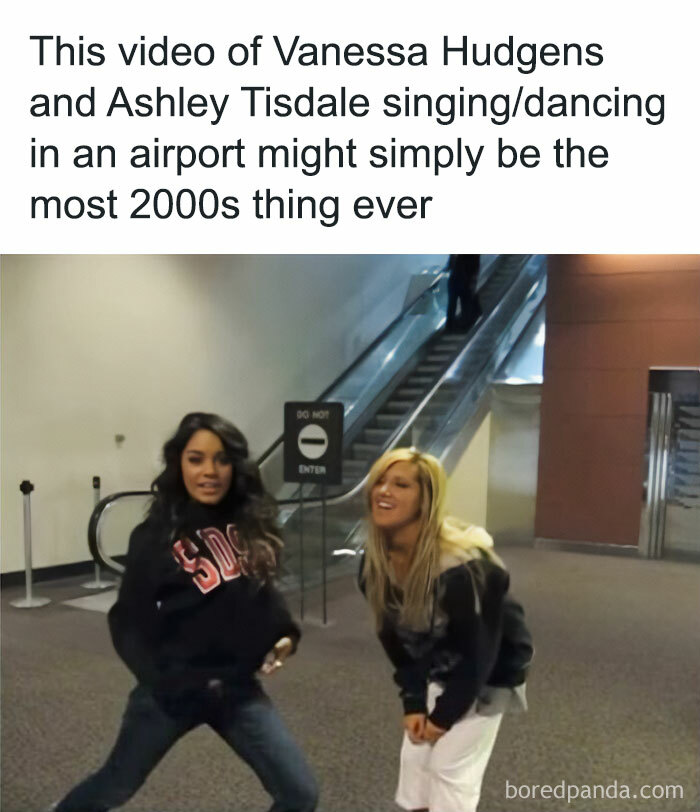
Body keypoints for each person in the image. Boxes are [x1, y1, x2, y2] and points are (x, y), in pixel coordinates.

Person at [54, 412, 318, 812]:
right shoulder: (155, 535)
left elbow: (262, 593)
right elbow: (125, 622)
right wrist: (164, 680)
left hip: (237, 690)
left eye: (222, 459)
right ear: (180, 464)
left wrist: (286, 634)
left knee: (299, 794)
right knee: (113, 786)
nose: (209, 471)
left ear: (237, 466)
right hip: (171, 694)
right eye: (196, 459)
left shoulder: (250, 524)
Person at [360, 448, 532, 812]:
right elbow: (396, 643)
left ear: (426, 500)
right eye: (380, 481)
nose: (384, 491)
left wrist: (442, 717)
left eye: (400, 484)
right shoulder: (374, 566)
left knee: (449, 767)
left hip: (491, 671)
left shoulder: (463, 570)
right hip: (438, 659)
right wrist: (413, 703)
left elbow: (477, 658)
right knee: (416, 760)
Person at [445, 254, 482, 332]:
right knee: (461, 302)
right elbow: (475, 267)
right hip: (462, 281)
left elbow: (450, 266)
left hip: (460, 280)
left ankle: (455, 325)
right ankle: (461, 324)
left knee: (456, 303)